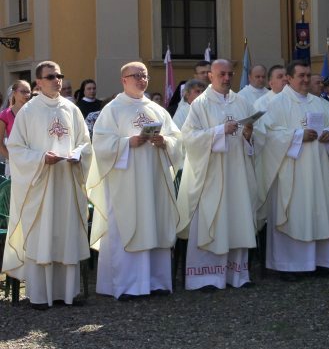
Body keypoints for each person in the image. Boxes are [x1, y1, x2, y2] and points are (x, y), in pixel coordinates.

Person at [88, 62, 182, 300]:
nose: (141, 79)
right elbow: (99, 143)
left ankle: (156, 282)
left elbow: (176, 138)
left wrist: (165, 142)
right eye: (136, 76)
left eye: (145, 76)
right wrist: (126, 143)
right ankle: (129, 285)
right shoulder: (113, 109)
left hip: (154, 180)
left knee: (155, 223)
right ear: (124, 80)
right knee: (128, 226)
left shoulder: (156, 109)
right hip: (126, 182)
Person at [2, 61, 92, 309]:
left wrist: (78, 154)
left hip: (67, 183)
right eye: (50, 76)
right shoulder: (28, 112)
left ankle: (68, 294)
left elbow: (86, 142)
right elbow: (16, 148)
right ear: (38, 82)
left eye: (59, 76)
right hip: (40, 186)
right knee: (43, 237)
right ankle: (40, 295)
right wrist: (41, 159)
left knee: (67, 235)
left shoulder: (71, 109)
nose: (57, 80)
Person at [176, 59, 257, 290]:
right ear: (210, 75)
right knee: (212, 219)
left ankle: (237, 275)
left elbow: (252, 143)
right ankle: (206, 277)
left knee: (236, 218)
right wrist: (220, 131)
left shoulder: (241, 102)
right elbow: (189, 138)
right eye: (221, 74)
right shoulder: (200, 104)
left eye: (230, 73)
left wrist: (249, 134)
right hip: (211, 174)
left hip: (237, 173)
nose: (227, 78)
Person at [259, 61, 329, 279]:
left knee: (318, 210)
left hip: (318, 168)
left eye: (308, 75)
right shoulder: (276, 104)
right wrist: (297, 136)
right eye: (301, 76)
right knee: (294, 213)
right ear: (288, 78)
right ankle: (288, 265)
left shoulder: (320, 103)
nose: (305, 80)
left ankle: (320, 261)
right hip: (291, 170)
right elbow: (267, 136)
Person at [0, 80, 31, 164]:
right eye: (23, 92)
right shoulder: (5, 114)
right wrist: (13, 159)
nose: (27, 95)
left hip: (34, 159)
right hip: (15, 160)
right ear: (14, 93)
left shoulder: (35, 112)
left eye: (28, 92)